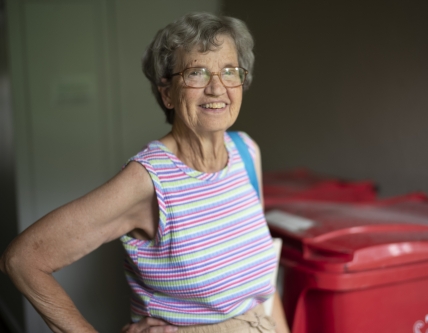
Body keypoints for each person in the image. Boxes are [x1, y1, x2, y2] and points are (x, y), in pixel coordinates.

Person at [0, 12, 290, 333]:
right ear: (167, 93)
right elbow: (24, 259)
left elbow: (262, 283)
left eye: (229, 71)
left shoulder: (246, 152)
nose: (217, 88)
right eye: (197, 73)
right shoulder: (150, 180)